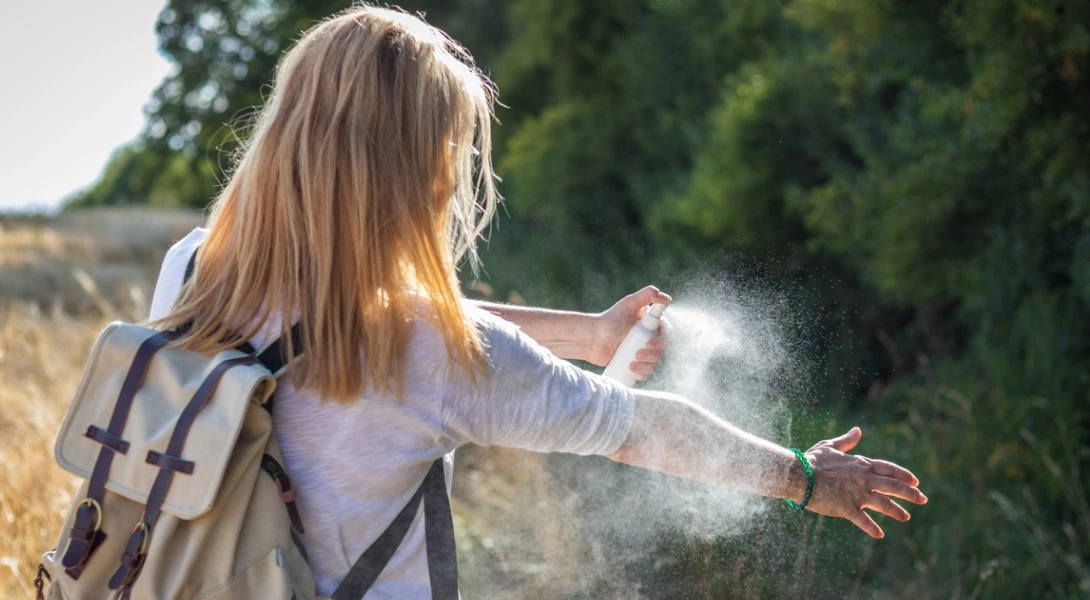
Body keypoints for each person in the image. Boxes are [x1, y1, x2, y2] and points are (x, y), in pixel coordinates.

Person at [149, 5, 926, 598]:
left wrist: (589, 335)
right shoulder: (431, 351)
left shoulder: (196, 267)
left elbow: (374, 319)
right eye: (451, 144)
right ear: (415, 165)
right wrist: (806, 477)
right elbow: (642, 428)